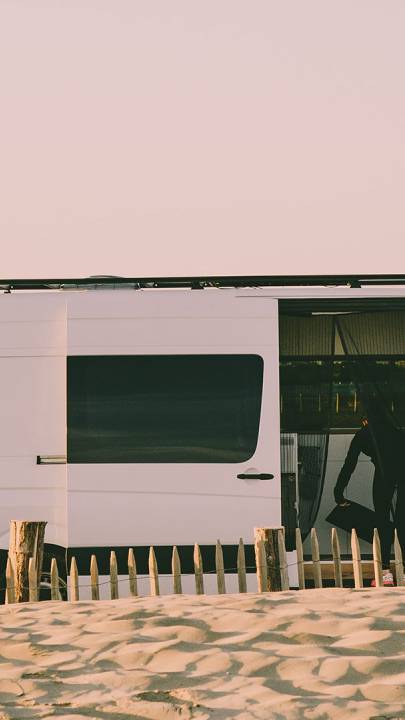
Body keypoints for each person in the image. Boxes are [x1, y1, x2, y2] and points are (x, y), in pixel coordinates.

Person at [333, 400, 405, 587]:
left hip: (384, 475)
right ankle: (404, 572)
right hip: (402, 473)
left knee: (381, 522)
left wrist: (338, 492)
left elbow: (349, 465)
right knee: (402, 522)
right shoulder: (396, 431)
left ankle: (386, 573)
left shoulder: (364, 434)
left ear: (367, 419)